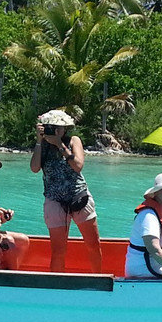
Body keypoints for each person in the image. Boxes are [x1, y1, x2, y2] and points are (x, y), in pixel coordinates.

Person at [30, 109, 102, 273]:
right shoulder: (43, 146)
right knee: (58, 251)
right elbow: (34, 168)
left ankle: (99, 279)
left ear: (64, 128)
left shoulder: (73, 141)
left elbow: (77, 166)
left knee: (93, 244)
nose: (55, 130)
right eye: (51, 127)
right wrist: (39, 141)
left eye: (58, 127)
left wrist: (60, 144)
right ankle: (57, 286)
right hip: (54, 200)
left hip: (79, 197)